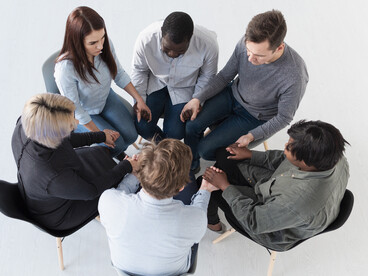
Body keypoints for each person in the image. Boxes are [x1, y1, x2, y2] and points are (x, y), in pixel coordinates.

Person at [182, 10, 309, 172]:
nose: (250, 58)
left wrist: (252, 135)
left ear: (279, 48)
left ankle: (198, 155)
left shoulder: (295, 75)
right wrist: (197, 98)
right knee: (191, 125)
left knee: (205, 150)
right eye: (249, 51)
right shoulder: (245, 43)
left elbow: (284, 118)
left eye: (258, 55)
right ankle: (190, 166)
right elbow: (224, 77)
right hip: (232, 95)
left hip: (255, 117)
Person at [203, 120, 350, 251]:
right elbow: (284, 159)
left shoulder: (295, 204)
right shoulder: (335, 158)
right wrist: (250, 155)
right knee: (223, 155)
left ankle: (213, 223)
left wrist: (225, 186)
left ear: (305, 162)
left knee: (206, 185)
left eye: (289, 147)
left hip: (262, 225)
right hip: (274, 186)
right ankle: (222, 182)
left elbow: (254, 222)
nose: (285, 145)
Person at [11, 93, 137, 231]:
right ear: (55, 134)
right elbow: (90, 191)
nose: (77, 123)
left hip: (46, 186)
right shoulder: (52, 175)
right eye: (70, 124)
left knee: (100, 153)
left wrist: (100, 136)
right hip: (61, 213)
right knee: (117, 188)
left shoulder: (26, 125)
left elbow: (66, 139)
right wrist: (126, 166)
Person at [98, 139, 218, 275]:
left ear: (142, 174)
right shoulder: (195, 219)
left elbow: (120, 192)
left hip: (124, 268)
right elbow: (199, 212)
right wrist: (205, 190)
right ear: (181, 187)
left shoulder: (109, 200)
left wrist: (133, 175)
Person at [54, 6, 151, 160]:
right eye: (93, 43)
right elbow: (77, 110)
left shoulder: (104, 46)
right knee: (116, 145)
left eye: (103, 37)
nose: (100, 46)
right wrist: (99, 135)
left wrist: (139, 99)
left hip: (105, 98)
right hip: (85, 112)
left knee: (131, 135)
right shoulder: (65, 69)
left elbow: (118, 73)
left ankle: (117, 153)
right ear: (77, 42)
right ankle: (113, 159)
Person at [131, 11, 218, 146]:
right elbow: (139, 70)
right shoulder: (145, 38)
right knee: (141, 125)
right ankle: (166, 152)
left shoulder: (208, 44)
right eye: (166, 49)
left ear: (190, 39)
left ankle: (165, 152)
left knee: (175, 133)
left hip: (185, 88)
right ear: (161, 33)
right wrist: (139, 99)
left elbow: (207, 76)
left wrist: (197, 99)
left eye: (180, 52)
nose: (172, 54)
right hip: (155, 84)